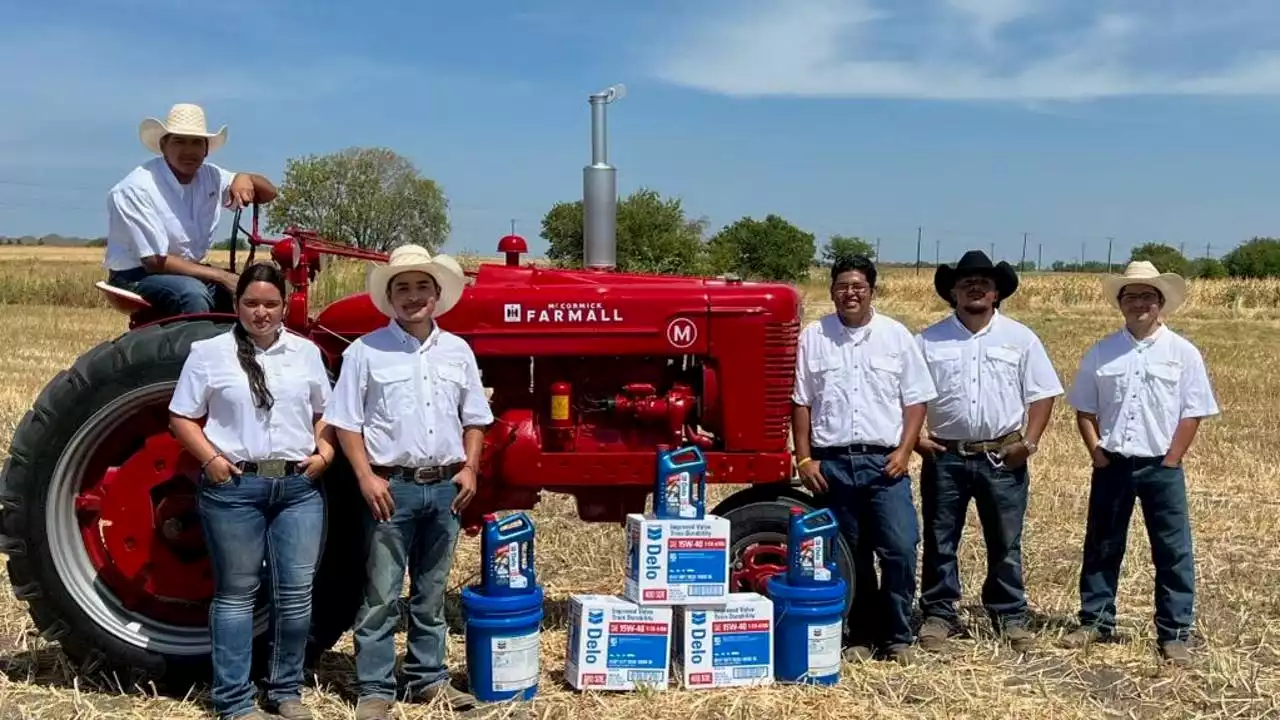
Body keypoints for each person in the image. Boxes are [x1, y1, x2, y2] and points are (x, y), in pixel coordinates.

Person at [322, 244, 493, 719]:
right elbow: (345, 422)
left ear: (437, 295)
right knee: (380, 594)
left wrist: (470, 468)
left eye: (422, 287)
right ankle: (375, 688)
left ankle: (428, 680)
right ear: (390, 297)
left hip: (444, 487)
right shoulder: (366, 351)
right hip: (390, 488)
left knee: (431, 594)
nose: (413, 296)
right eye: (403, 288)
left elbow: (475, 417)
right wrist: (365, 478)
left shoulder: (457, 351)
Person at [168, 261, 337, 720]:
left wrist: (324, 454)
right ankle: (234, 701)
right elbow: (181, 416)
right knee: (236, 595)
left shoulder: (305, 354)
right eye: (251, 303)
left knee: (297, 594)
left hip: (298, 487)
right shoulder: (208, 353)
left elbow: (326, 412)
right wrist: (212, 460)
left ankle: (285, 691)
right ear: (237, 304)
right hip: (235, 487)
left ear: (285, 306)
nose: (261, 312)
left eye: (270, 304)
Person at [1062, 260, 1219, 665]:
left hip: (1160, 468)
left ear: (1161, 302)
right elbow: (1084, 409)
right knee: (1102, 544)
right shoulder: (1102, 351)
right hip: (1113, 464)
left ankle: (1174, 632)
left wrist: (1172, 460)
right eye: (1131, 296)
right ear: (1120, 303)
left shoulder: (1183, 353)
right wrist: (1096, 452)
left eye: (1148, 295)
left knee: (1172, 550)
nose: (1139, 303)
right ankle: (1096, 620)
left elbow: (1193, 411)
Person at [914, 250, 1064, 653]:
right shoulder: (927, 340)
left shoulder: (1020, 338)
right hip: (945, 455)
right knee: (940, 538)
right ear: (953, 293)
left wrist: (1028, 443)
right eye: (966, 282)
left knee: (1006, 539)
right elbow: (904, 395)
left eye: (983, 282)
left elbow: (1043, 394)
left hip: (1003, 455)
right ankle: (939, 614)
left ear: (997, 292)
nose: (975, 287)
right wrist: (912, 439)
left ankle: (1010, 615)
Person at [791, 254, 938, 664]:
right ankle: (860, 634)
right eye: (841, 286)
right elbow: (801, 402)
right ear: (832, 291)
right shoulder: (813, 337)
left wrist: (905, 450)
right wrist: (804, 459)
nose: (849, 293)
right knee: (848, 555)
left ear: (872, 291)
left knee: (900, 547)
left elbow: (916, 400)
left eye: (857, 286)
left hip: (883, 464)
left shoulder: (896, 336)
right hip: (832, 465)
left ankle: (897, 635)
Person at [104, 103, 278, 317]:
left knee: (241, 293)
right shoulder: (136, 188)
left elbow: (269, 193)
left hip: (186, 269)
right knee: (192, 294)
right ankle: (192, 349)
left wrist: (244, 177)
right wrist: (220, 276)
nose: (189, 151)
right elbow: (154, 261)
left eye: (196, 142)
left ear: (206, 150)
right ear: (163, 145)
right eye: (179, 141)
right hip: (135, 275)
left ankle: (235, 347)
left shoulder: (210, 176)